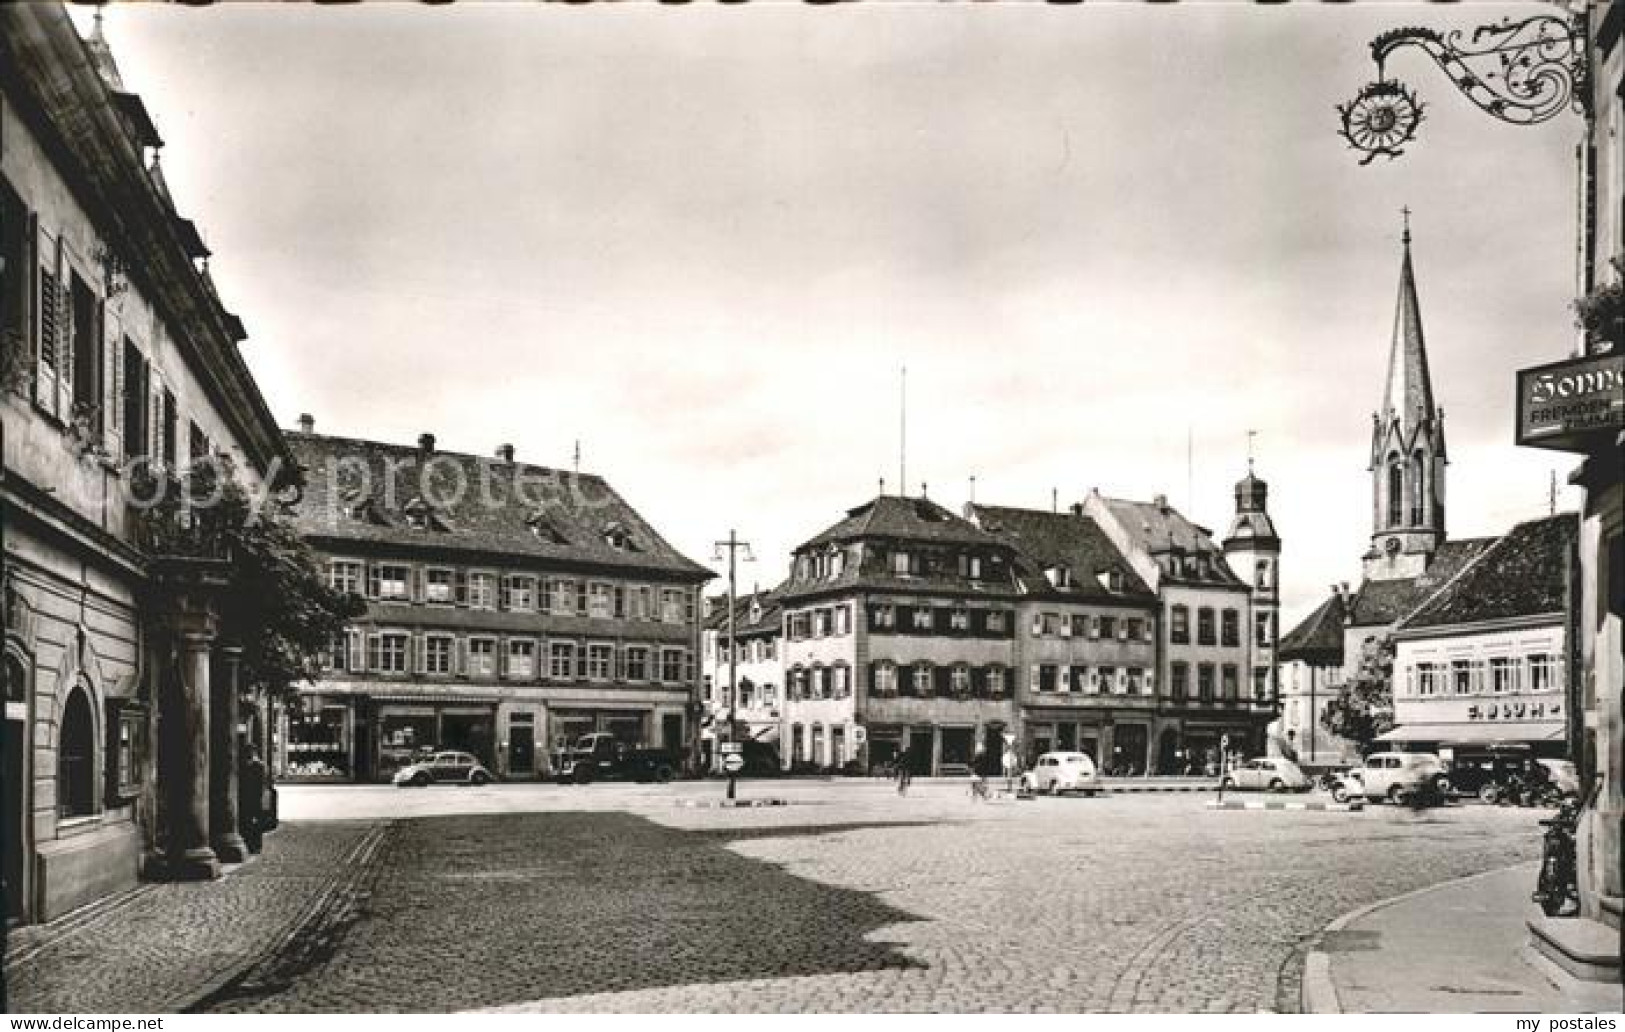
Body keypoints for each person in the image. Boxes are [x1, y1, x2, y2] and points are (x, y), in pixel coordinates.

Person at [238, 742, 267, 854]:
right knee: (248, 821)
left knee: (256, 822)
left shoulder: (258, 765)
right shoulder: (247, 764)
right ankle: (251, 844)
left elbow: (261, 784)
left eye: (251, 751)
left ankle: (256, 845)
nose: (250, 754)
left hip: (254, 798)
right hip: (248, 797)